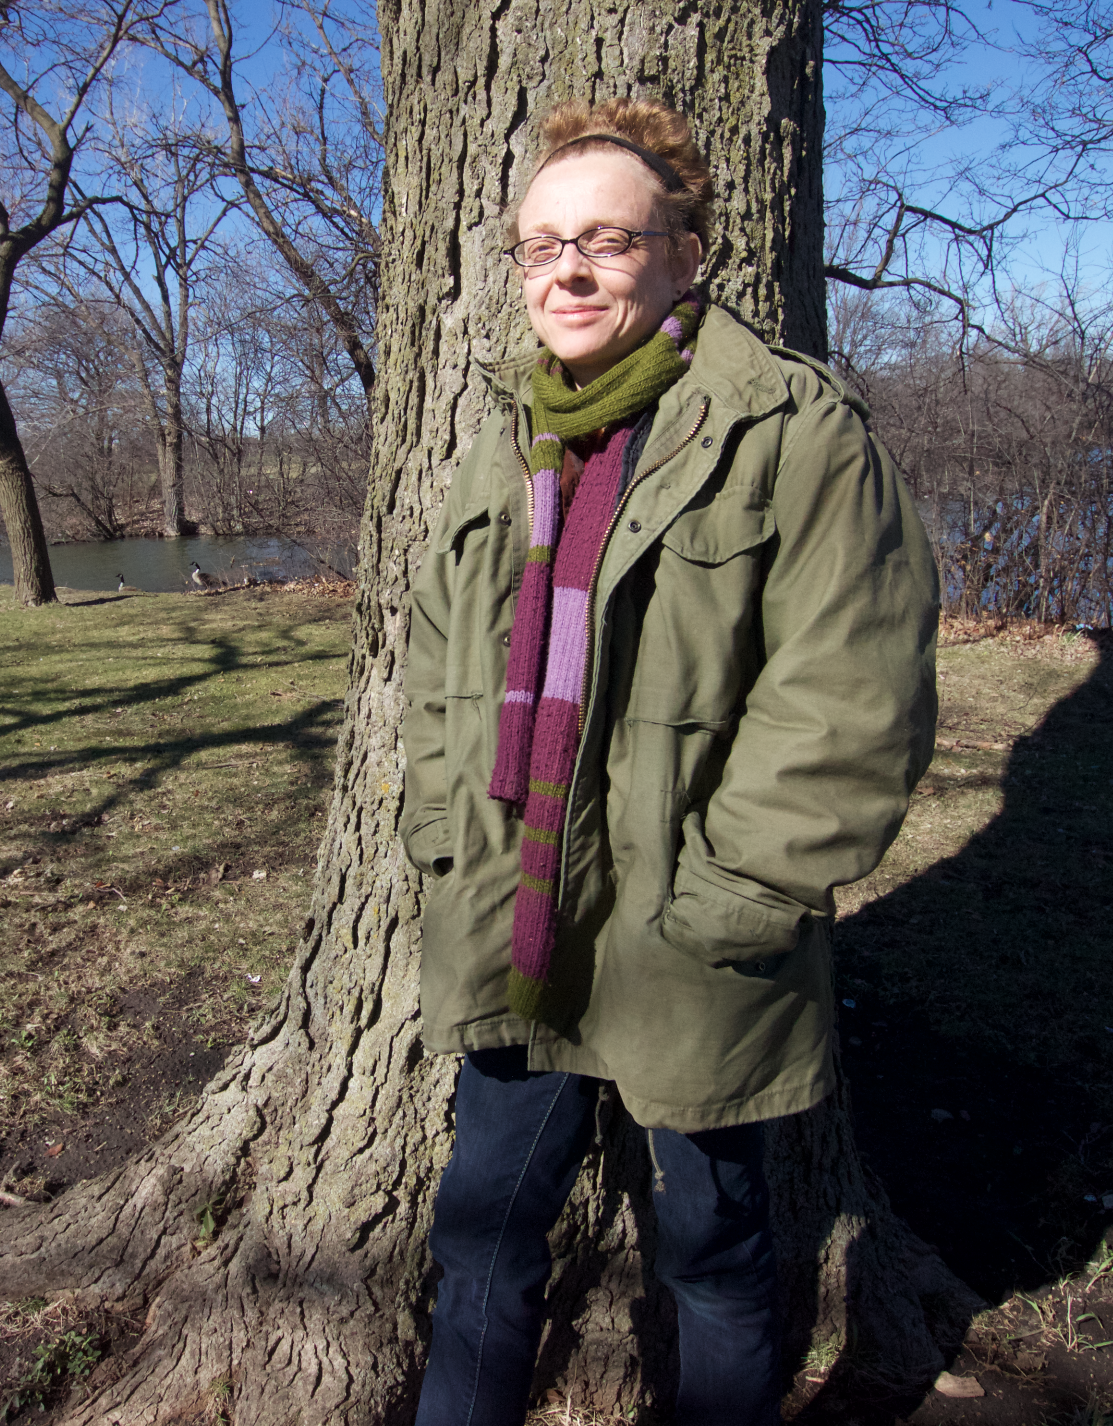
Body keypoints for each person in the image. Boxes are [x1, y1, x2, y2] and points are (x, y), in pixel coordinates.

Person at [399, 98, 939, 1425]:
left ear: (685, 253)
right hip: (513, 917)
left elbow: (850, 698)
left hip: (688, 936)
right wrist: (443, 833)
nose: (567, 273)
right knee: (477, 1243)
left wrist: (731, 902)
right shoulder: (505, 439)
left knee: (715, 1256)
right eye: (540, 247)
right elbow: (429, 661)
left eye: (606, 240)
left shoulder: (789, 430)